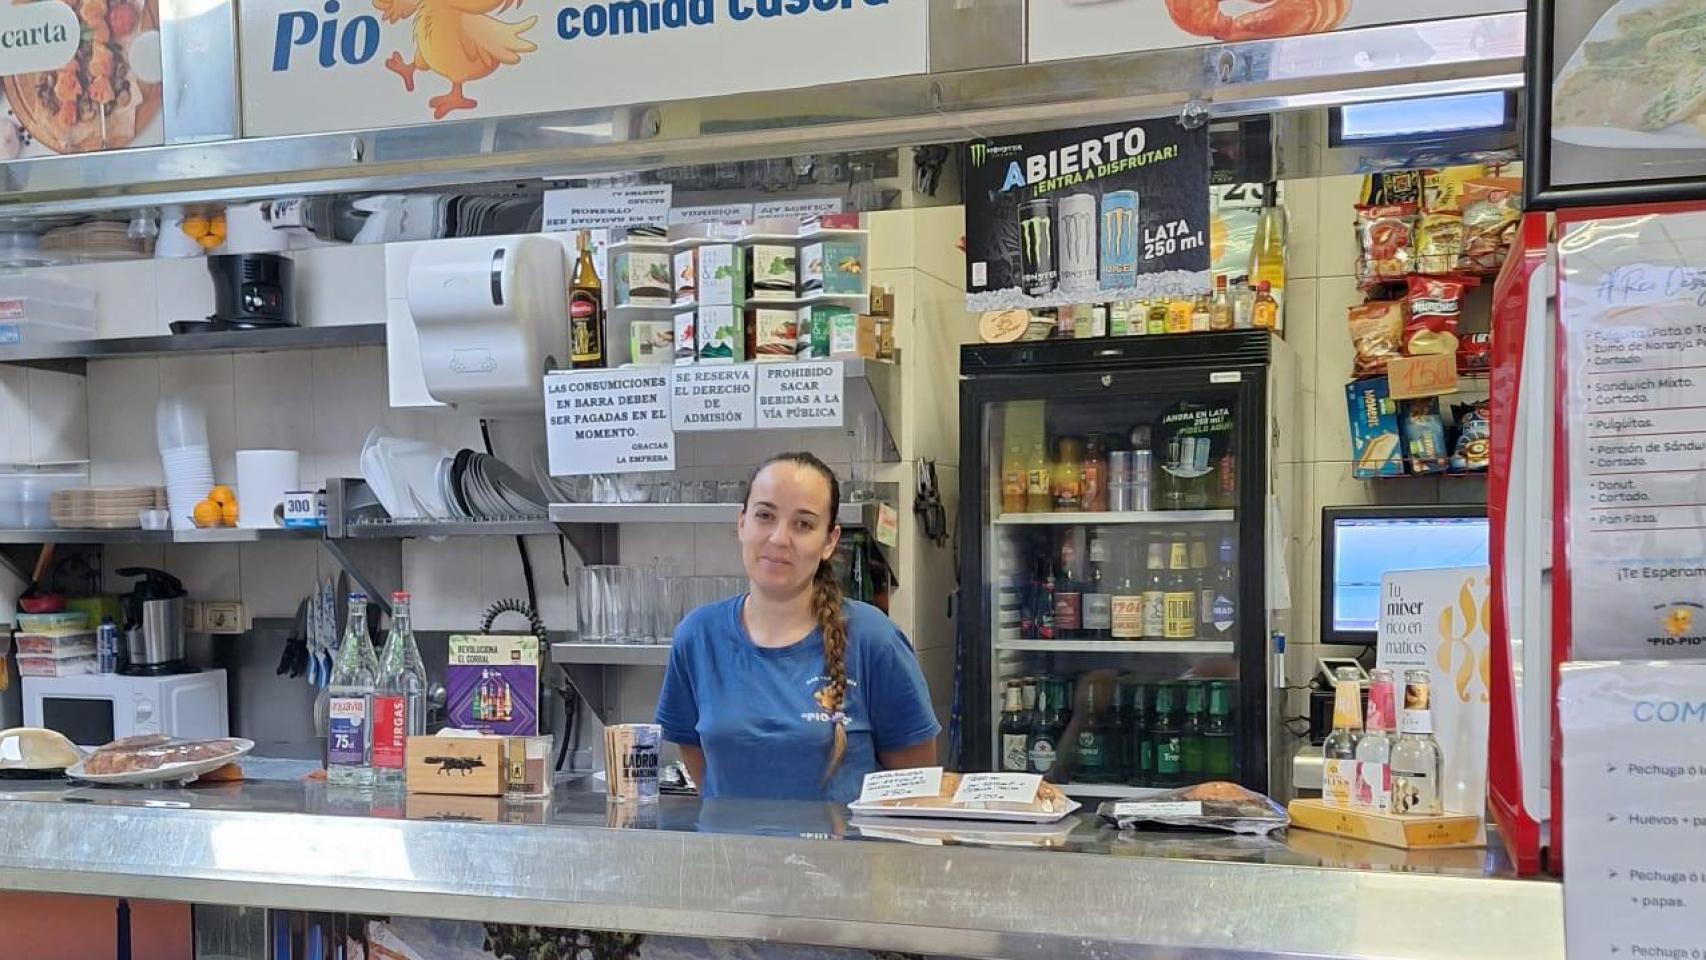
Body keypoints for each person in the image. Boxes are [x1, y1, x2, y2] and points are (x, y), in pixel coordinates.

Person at [656, 452, 940, 803]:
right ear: (741, 523)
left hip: (845, 857)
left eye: (803, 524)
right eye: (765, 516)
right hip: (729, 856)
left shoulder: (873, 639)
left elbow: (914, 784)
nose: (779, 538)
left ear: (829, 541)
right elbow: (698, 761)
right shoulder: (698, 637)